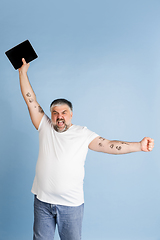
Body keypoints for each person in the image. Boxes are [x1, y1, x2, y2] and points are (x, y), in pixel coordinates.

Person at [18, 58, 154, 240]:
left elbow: (109, 145)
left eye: (64, 112)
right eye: (55, 113)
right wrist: (22, 73)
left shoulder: (83, 133)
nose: (59, 117)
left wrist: (139, 145)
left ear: (71, 114)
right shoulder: (44, 125)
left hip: (71, 205)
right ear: (51, 115)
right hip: (43, 202)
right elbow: (31, 100)